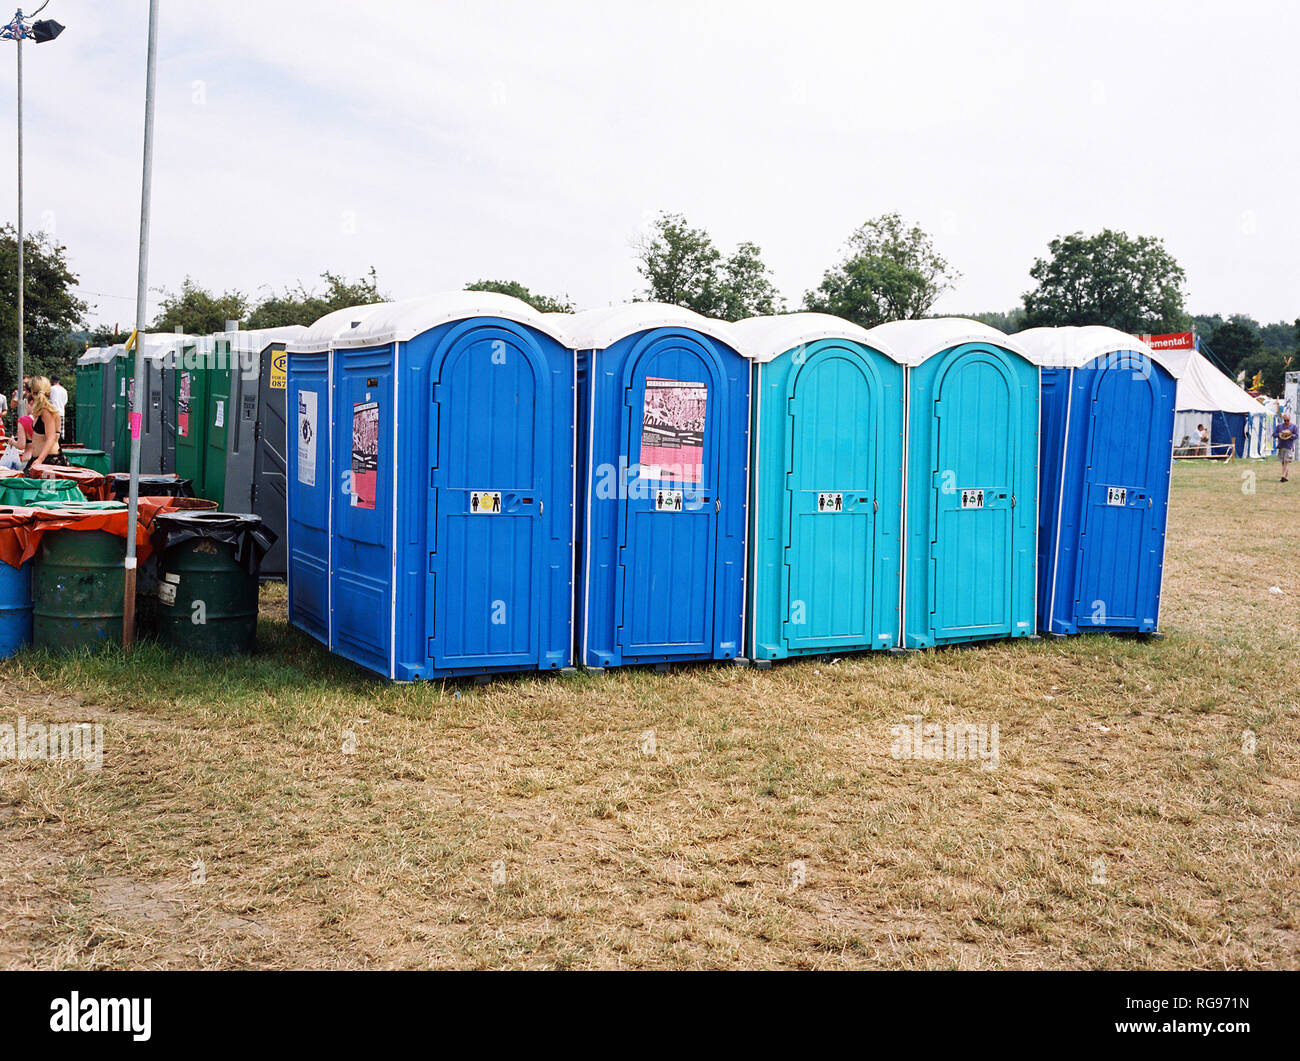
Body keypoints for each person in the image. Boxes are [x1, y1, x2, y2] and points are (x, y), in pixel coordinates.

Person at [23, 377, 69, 472]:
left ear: (32, 392)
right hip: (41, 459)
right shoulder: (42, 410)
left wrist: (40, 459)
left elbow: (51, 437)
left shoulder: (47, 411)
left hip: (49, 460)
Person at [1274, 413, 1298, 482]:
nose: (1286, 422)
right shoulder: (1279, 426)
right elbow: (1274, 434)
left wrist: (1290, 435)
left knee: (1286, 462)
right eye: (1285, 420)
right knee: (1283, 462)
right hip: (1281, 446)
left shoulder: (1294, 426)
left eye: (1287, 420)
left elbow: (1296, 436)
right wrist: (1279, 434)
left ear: (1290, 419)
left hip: (1289, 446)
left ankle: (1283, 476)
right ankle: (1286, 477)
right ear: (1283, 420)